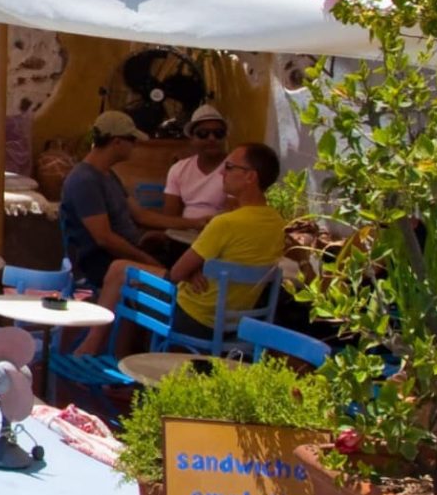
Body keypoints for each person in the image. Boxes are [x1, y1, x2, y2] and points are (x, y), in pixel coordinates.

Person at [74, 143, 289, 353]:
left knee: (119, 271)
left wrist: (189, 272)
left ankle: (92, 349)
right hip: (235, 323)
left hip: (192, 318)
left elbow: (177, 273)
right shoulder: (277, 223)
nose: (222, 173)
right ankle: (121, 364)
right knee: (130, 281)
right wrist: (195, 270)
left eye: (230, 167)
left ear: (250, 177)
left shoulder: (226, 223)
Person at [59, 111, 178, 293]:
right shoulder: (85, 180)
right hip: (101, 264)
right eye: (132, 140)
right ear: (117, 142)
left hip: (126, 251)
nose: (134, 146)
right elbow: (104, 239)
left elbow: (139, 215)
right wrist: (147, 260)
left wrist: (194, 223)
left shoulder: (108, 174)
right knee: (177, 277)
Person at [161, 104, 232, 227]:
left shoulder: (236, 168)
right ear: (192, 138)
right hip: (183, 234)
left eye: (218, 133)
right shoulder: (178, 169)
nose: (211, 138)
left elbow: (233, 214)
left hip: (221, 234)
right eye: (203, 133)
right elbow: (170, 216)